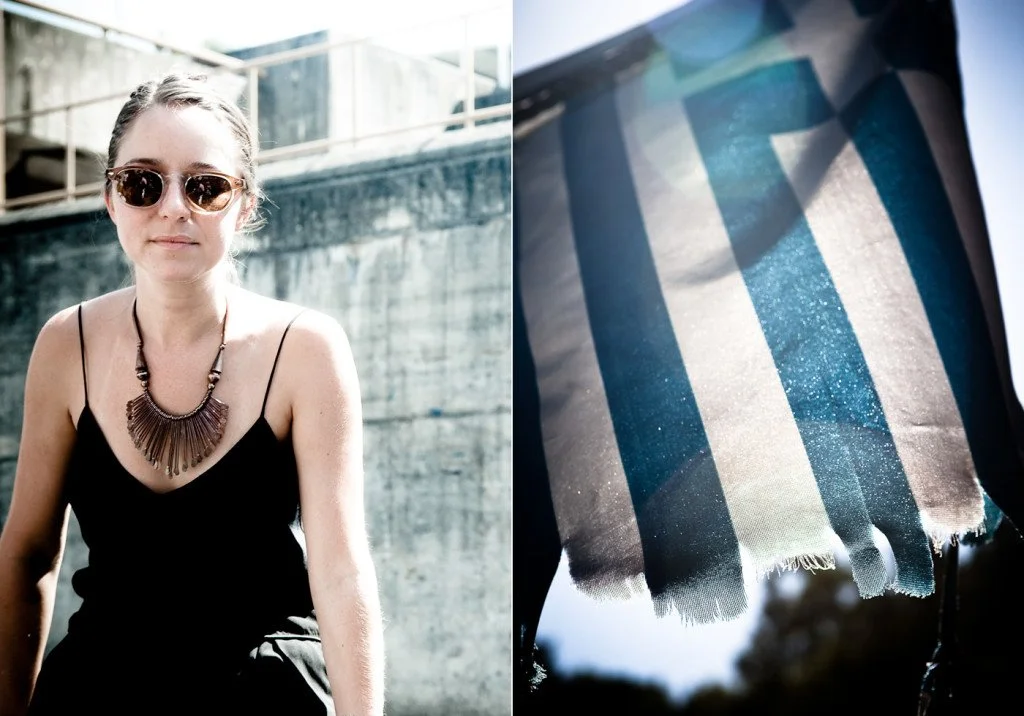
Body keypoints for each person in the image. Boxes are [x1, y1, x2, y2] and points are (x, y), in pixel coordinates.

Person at [0, 73, 385, 715]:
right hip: (96, 692)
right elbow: (26, 554)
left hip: (263, 695)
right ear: (111, 198)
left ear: (245, 203)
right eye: (143, 183)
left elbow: (342, 573)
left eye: (205, 187)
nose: (174, 207)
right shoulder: (66, 344)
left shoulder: (307, 349)